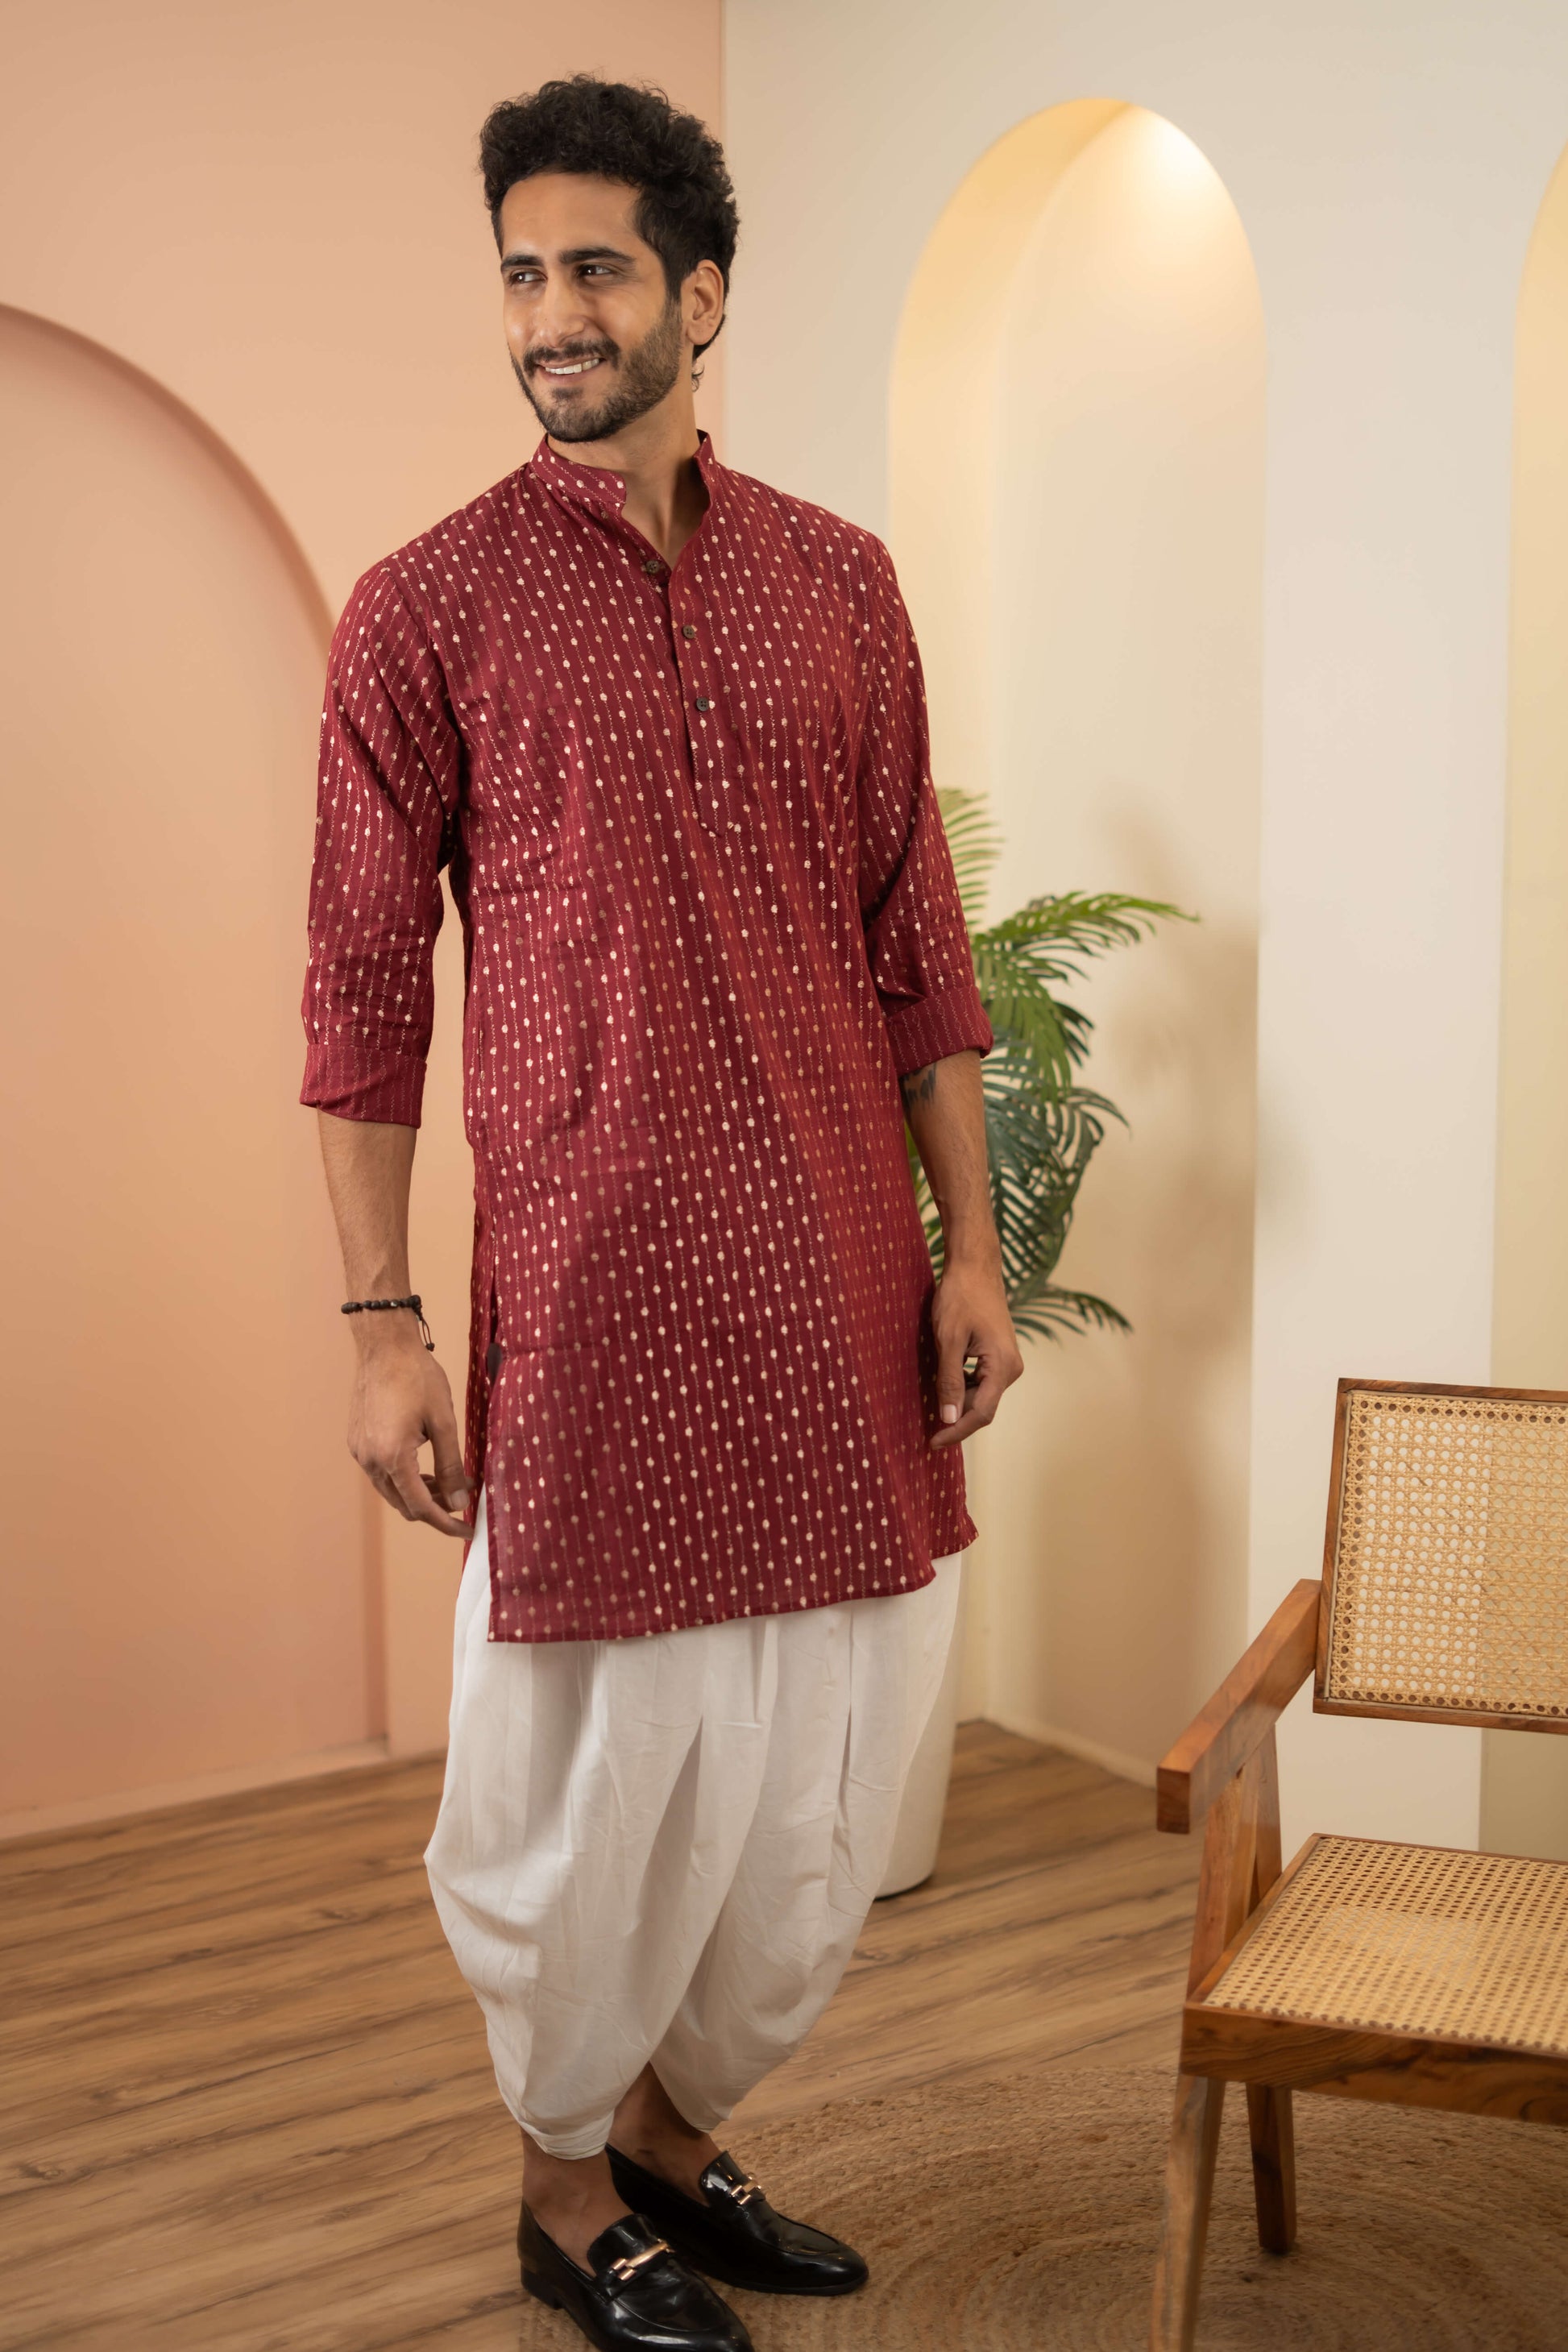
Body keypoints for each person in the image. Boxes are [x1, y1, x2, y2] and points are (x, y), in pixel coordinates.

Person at [301, 72, 1023, 2352]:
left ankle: (680, 2144)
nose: (549, 313)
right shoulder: (427, 609)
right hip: (593, 1301)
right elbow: (352, 988)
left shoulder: (838, 582)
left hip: (834, 1279)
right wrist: (382, 1322)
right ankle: (554, 2179)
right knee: (593, 1775)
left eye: (594, 266)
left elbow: (918, 940)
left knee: (810, 1763)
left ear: (702, 293)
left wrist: (972, 1247)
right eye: (521, 271)